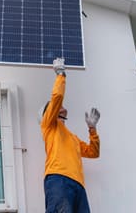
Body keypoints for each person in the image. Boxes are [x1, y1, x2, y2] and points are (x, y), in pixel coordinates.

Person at [40, 57, 100, 213]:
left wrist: (92, 129)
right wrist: (60, 74)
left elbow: (93, 152)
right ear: (49, 113)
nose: (61, 107)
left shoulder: (72, 138)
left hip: (78, 184)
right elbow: (57, 98)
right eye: (56, 107)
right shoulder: (48, 125)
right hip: (58, 179)